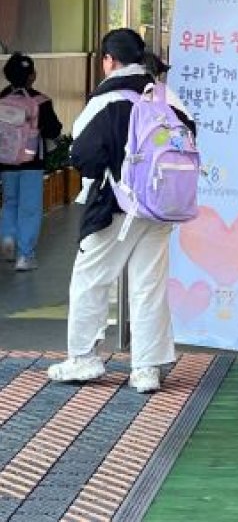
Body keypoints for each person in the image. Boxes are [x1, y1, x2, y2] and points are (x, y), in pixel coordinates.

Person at [47, 28, 196, 394]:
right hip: (160, 207)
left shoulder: (106, 100)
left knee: (91, 278)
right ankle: (147, 368)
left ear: (108, 61)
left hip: (114, 207)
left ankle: (84, 357)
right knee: (149, 284)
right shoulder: (167, 97)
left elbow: (83, 155)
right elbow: (188, 138)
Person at [0, 52, 62, 271]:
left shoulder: (1, 98)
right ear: (32, 76)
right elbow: (54, 130)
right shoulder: (40, 101)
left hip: (5, 162)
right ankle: (25, 256)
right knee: (29, 208)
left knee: (10, 202)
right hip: (32, 162)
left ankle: (8, 238)